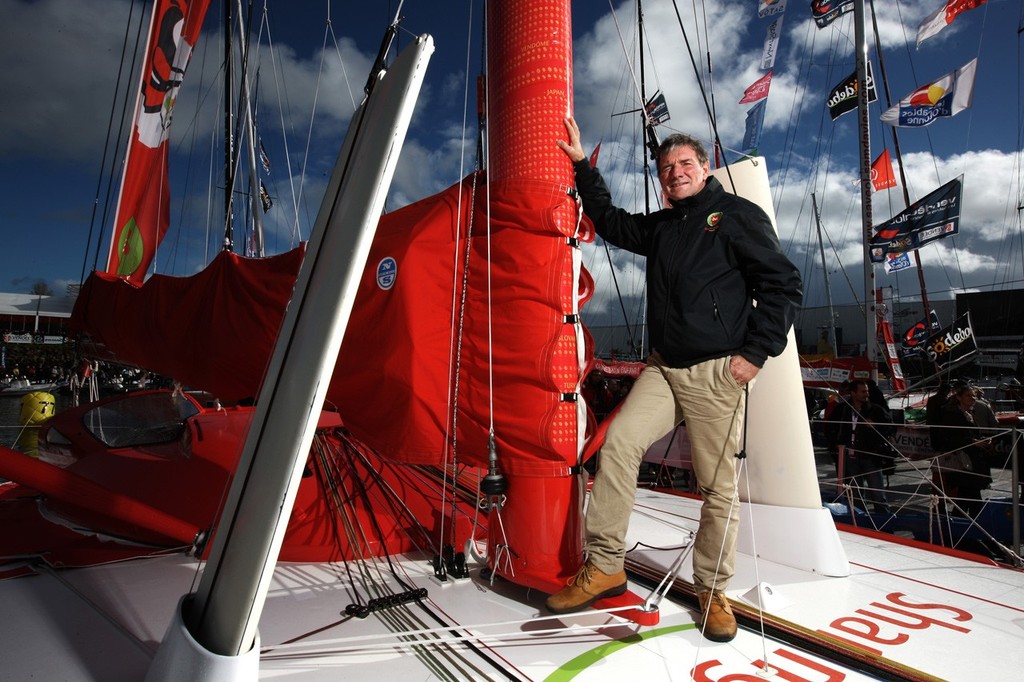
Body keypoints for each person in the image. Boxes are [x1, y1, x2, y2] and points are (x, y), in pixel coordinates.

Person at [544, 118, 802, 643]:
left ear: (704, 168)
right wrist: (580, 166)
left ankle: (712, 590)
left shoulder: (735, 217)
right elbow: (612, 223)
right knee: (617, 446)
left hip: (716, 371)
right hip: (664, 367)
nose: (676, 173)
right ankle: (607, 564)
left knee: (717, 488)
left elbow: (782, 283)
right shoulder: (663, 227)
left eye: (685, 164)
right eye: (667, 169)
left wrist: (755, 354)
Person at [830, 380, 893, 514]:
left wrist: (876, 426)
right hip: (850, 457)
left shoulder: (875, 409)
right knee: (856, 496)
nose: (866, 394)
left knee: (878, 495)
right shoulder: (843, 409)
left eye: (867, 391)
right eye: (863, 391)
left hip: (870, 457)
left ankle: (885, 528)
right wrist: (836, 443)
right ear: (853, 393)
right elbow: (830, 426)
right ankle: (860, 523)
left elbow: (890, 428)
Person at [937, 383, 992, 518]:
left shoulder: (969, 413)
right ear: (959, 397)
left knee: (966, 498)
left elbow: (969, 434)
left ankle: (960, 531)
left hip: (971, 462)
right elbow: (948, 438)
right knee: (971, 498)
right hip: (962, 462)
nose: (972, 398)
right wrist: (973, 442)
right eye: (968, 395)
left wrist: (983, 439)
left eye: (973, 395)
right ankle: (973, 530)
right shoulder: (952, 415)